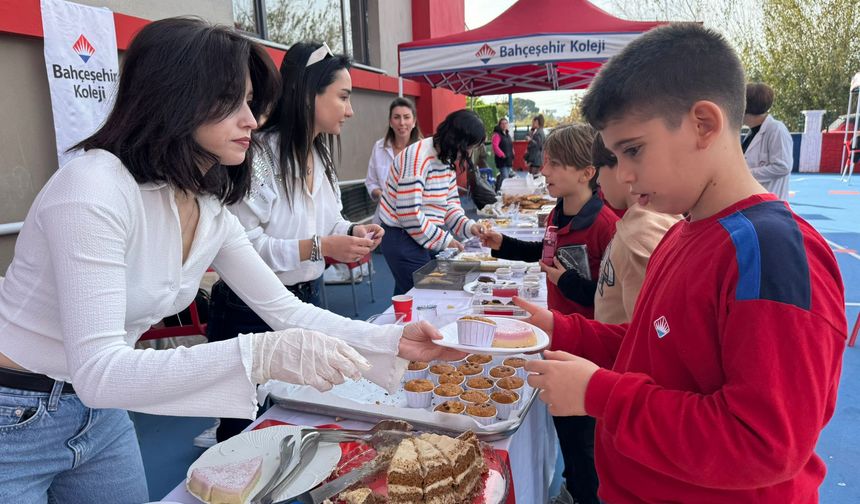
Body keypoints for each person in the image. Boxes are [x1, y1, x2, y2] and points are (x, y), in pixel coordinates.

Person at [0, 19, 462, 503]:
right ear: (175, 97)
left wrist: (390, 340)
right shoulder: (93, 189)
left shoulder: (206, 206)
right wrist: (258, 354)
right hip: (15, 411)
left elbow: (285, 309)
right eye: (233, 102)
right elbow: (98, 370)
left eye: (250, 102)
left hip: (101, 413)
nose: (252, 119)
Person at [516, 23, 845, 503]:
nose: (625, 175)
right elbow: (650, 349)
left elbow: (762, 444)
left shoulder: (771, 253)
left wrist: (599, 395)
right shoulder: (681, 230)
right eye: (616, 155)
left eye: (633, 150)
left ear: (704, 125)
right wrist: (557, 328)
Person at [204, 41, 387, 442]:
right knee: (242, 431)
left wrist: (351, 232)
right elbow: (243, 248)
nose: (350, 110)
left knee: (305, 418)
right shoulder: (257, 156)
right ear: (308, 94)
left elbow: (329, 220)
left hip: (308, 298)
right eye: (343, 97)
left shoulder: (320, 157)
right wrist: (321, 246)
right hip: (247, 312)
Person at [480, 124, 618, 504]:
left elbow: (614, 300)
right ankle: (573, 488)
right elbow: (545, 250)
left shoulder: (606, 227)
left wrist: (571, 284)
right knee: (566, 429)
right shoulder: (558, 214)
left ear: (587, 172)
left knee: (584, 440)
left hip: (588, 351)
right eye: (546, 162)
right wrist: (503, 244)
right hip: (559, 339)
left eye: (555, 164)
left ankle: (586, 493)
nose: (543, 170)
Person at [378, 109, 486, 295]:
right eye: (469, 147)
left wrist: (469, 227)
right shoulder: (417, 157)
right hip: (401, 235)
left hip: (423, 233)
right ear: (458, 140)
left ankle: (399, 322)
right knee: (426, 293)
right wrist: (445, 240)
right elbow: (409, 214)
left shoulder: (447, 157)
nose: (469, 152)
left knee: (409, 295)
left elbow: (449, 205)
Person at [592, 133, 681, 324]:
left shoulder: (639, 234)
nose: (598, 180)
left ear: (620, 166)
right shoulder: (648, 220)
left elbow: (646, 329)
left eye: (600, 167)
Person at [365, 97, 423, 217]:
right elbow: (371, 182)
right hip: (385, 216)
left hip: (418, 219)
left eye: (406, 117)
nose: (402, 123)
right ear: (391, 122)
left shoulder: (423, 150)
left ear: (414, 121)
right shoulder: (379, 147)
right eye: (396, 117)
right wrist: (382, 195)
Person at [742, 82, 793, 200]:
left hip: (768, 199)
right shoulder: (752, 132)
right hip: (752, 199)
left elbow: (782, 167)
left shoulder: (776, 129)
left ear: (745, 107)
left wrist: (747, 174)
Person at [492, 116, 514, 192]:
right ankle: (505, 193)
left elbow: (511, 146)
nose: (504, 125)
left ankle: (497, 191)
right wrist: (502, 155)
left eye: (505, 123)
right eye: (502, 123)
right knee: (506, 178)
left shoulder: (508, 135)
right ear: (500, 125)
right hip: (502, 160)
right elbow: (495, 146)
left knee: (503, 177)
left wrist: (512, 154)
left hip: (509, 160)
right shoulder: (497, 135)